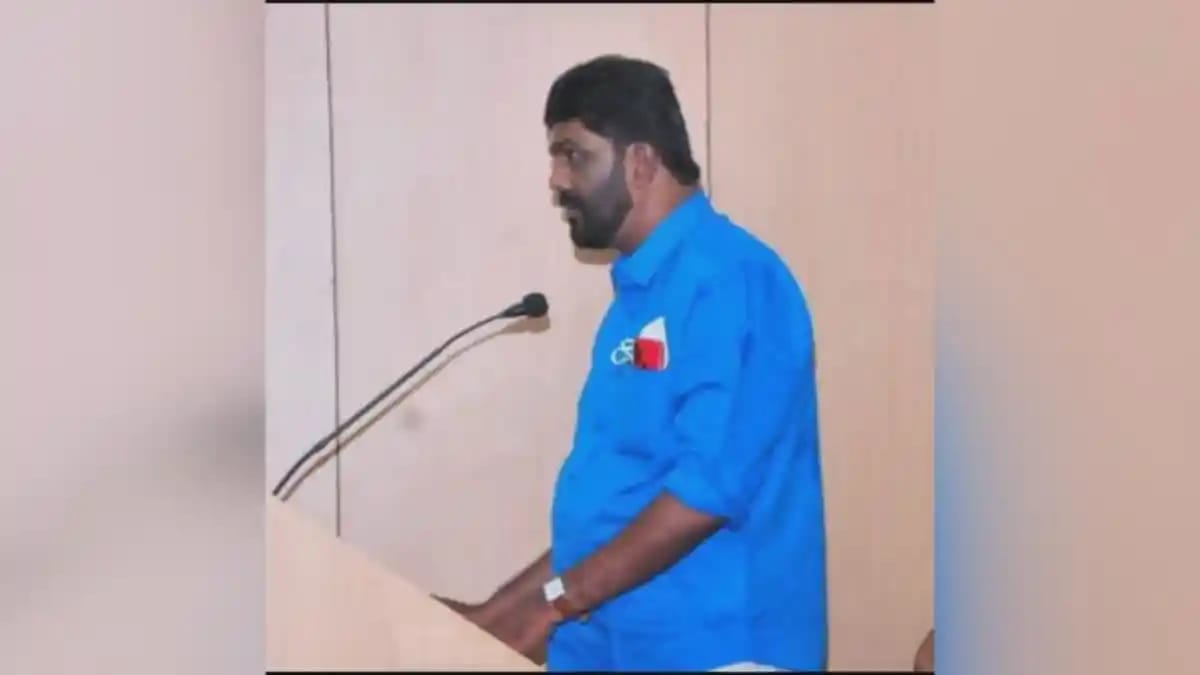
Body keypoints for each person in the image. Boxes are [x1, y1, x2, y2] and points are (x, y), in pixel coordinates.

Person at [436, 54, 828, 672]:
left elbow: (705, 493)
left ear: (640, 162)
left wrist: (552, 605)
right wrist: (493, 617)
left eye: (574, 155)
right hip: (618, 646)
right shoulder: (638, 300)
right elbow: (612, 513)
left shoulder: (733, 279)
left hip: (719, 650)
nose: (556, 180)